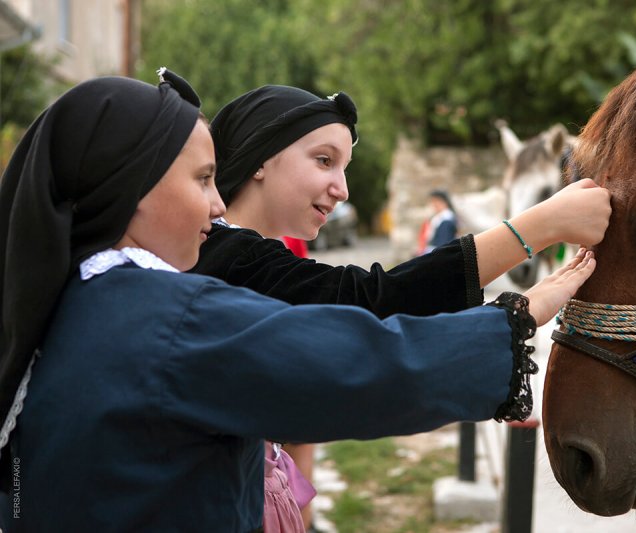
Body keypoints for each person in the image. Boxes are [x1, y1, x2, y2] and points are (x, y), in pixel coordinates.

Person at [0, 72, 600, 531]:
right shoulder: (166, 316)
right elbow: (361, 359)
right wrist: (517, 315)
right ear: (131, 186)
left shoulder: (71, 300)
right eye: (203, 179)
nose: (216, 205)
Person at [195, 84, 612, 530]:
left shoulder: (240, 252)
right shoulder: (228, 256)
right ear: (261, 157)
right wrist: (541, 227)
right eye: (324, 160)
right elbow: (374, 304)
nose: (343, 190)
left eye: (344, 167)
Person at [420, 189, 458, 255]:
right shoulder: (438, 218)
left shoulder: (446, 220)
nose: (432, 204)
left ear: (442, 202)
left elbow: (442, 245)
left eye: (434, 201)